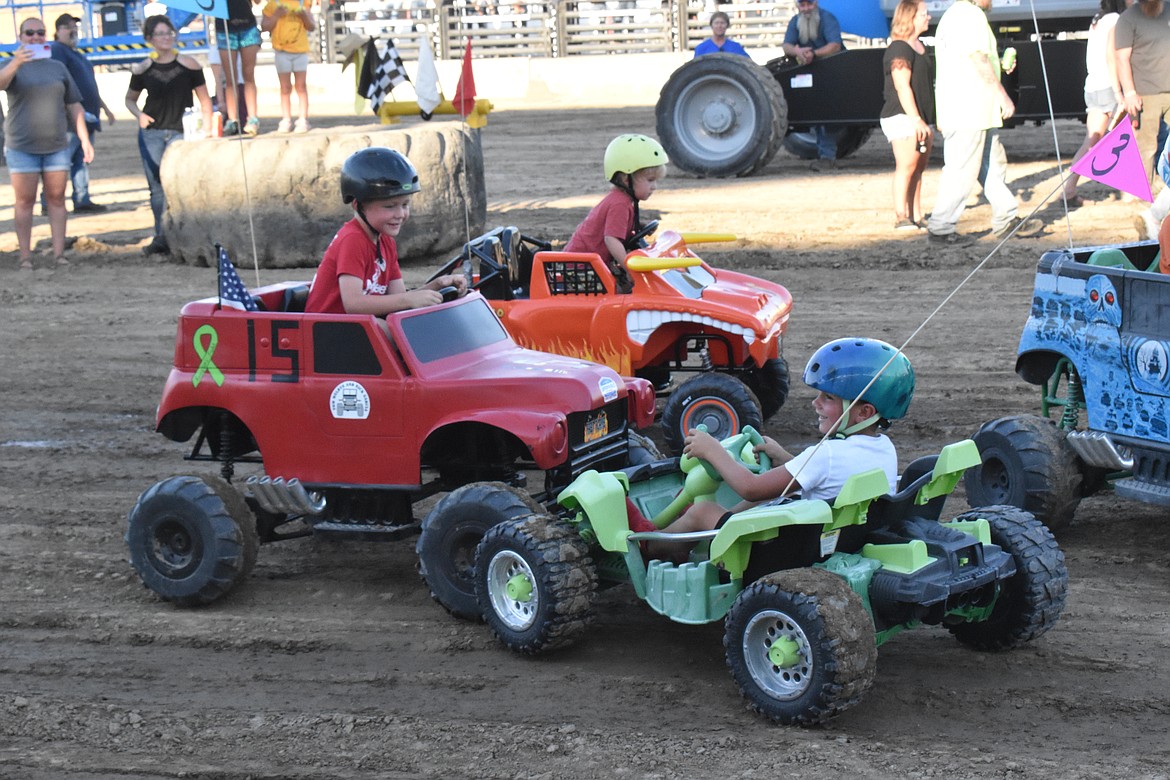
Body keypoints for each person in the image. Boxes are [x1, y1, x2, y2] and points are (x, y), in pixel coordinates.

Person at [647, 338, 915, 563]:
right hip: (838, 537)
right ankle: (717, 536)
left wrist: (711, 450)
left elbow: (750, 487)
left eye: (828, 398)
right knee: (764, 499)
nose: (815, 403)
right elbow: (826, 478)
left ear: (864, 412)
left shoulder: (827, 455)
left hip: (789, 553)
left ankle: (650, 550)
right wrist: (784, 458)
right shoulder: (883, 447)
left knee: (702, 510)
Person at [925, 0, 1043, 244]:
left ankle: (1006, 217)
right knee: (962, 170)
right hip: (970, 108)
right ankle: (941, 227)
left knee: (991, 165)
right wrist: (1003, 96)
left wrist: (998, 65)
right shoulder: (972, 16)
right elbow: (979, 59)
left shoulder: (950, 17)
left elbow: (967, 61)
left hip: (967, 108)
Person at [304, 147, 468, 315]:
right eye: (389, 206)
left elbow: (398, 299)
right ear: (357, 205)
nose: (400, 214)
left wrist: (439, 284)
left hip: (358, 327)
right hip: (328, 331)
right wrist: (409, 300)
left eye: (405, 204)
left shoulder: (386, 242)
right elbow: (353, 304)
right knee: (401, 335)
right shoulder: (352, 239)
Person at [1, 16, 93, 270]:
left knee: (56, 199)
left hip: (56, 145)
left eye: (40, 33)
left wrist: (84, 138)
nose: (35, 37)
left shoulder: (57, 67)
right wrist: (18, 62)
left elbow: (74, 104)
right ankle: (25, 255)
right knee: (24, 201)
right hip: (22, 146)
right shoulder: (10, 64)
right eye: (29, 33)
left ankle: (59, 253)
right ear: (20, 37)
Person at [124, 15, 214, 256]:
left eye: (169, 32)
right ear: (150, 39)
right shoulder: (143, 68)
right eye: (160, 34)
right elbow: (130, 99)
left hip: (180, 132)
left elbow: (205, 100)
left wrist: (207, 130)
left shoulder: (190, 65)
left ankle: (187, 235)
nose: (166, 37)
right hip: (152, 132)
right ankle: (160, 236)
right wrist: (139, 115)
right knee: (156, 188)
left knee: (182, 185)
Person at [564, 133, 668, 294]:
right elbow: (611, 239)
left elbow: (619, 227)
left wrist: (640, 226)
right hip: (578, 270)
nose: (654, 186)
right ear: (627, 179)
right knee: (623, 293)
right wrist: (629, 269)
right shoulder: (619, 203)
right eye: (650, 180)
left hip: (591, 265)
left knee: (628, 287)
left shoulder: (623, 200)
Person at [1063, 0, 1132, 207]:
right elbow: (1112, 56)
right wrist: (1119, 91)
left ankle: (1069, 188)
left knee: (1091, 141)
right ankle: (1128, 190)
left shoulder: (1098, 21)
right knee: (1124, 139)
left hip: (1092, 85)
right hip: (1108, 87)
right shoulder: (1116, 20)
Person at [1115, 0, 1170, 240]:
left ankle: (1158, 200)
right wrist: (1129, 92)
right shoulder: (1128, 19)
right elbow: (1121, 58)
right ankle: (1143, 195)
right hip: (1145, 92)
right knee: (1146, 145)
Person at [49, 13, 115, 213]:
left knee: (81, 159)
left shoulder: (76, 54)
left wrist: (105, 108)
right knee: (60, 162)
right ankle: (49, 201)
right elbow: (58, 82)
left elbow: (89, 86)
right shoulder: (57, 50)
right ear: (59, 30)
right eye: (69, 27)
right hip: (70, 118)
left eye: (75, 27)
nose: (73, 31)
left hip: (88, 116)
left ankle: (82, 199)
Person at [880, 0, 935, 230]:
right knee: (906, 166)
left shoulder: (920, 46)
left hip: (919, 117)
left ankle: (916, 214)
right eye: (923, 13)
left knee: (918, 168)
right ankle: (901, 215)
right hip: (902, 116)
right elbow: (902, 86)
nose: (928, 17)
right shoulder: (899, 48)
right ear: (910, 17)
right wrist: (915, 119)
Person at [781, 0, 844, 170]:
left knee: (826, 114)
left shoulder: (827, 18)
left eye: (809, 4)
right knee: (815, 111)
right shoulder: (795, 21)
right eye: (803, 5)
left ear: (815, 3)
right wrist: (798, 52)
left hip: (832, 70)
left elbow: (835, 45)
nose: (806, 9)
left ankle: (827, 156)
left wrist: (814, 54)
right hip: (809, 70)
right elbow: (787, 45)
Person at [261, 0, 316, 133]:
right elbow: (264, 26)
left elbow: (311, 26)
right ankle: (286, 118)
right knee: (285, 87)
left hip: (300, 51)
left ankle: (303, 118)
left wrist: (304, 16)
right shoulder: (273, 4)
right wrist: (276, 16)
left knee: (301, 86)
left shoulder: (304, 3)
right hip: (281, 51)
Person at [216, 0, 264, 136]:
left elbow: (257, 2)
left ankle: (252, 118)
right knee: (230, 76)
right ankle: (232, 119)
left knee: (248, 74)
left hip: (247, 26)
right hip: (224, 27)